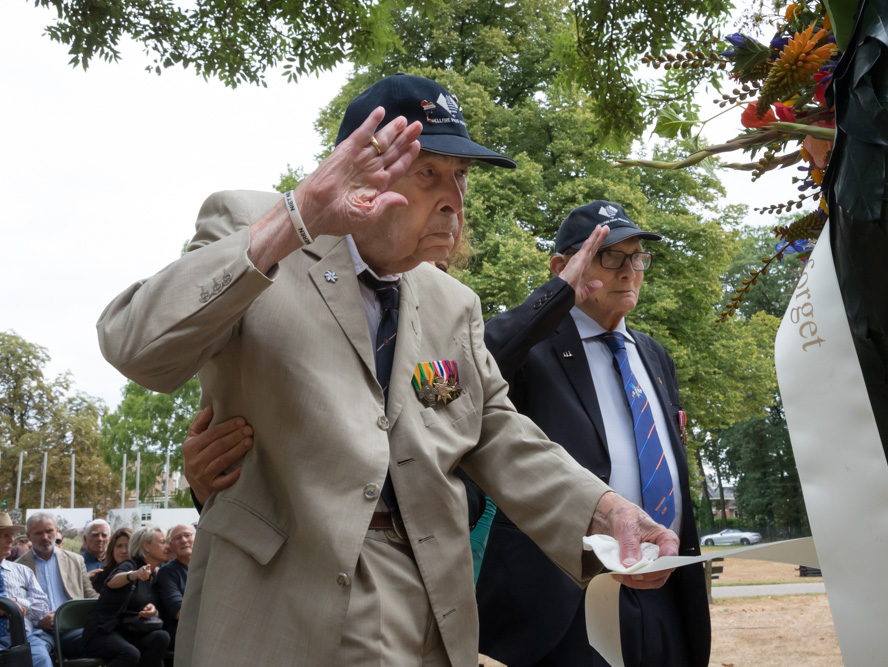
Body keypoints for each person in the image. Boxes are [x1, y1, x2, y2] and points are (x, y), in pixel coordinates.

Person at [97, 73, 678, 666]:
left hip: (426, 607)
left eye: (461, 176)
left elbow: (496, 431)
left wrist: (606, 512)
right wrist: (297, 217)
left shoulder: (452, 305)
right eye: (429, 172)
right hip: (275, 609)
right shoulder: (257, 227)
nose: (454, 198)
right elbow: (137, 347)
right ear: (360, 168)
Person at [476, 201, 711, 666]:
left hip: (665, 589)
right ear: (564, 266)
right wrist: (558, 293)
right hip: (565, 599)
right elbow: (476, 362)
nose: (629, 271)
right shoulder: (532, 347)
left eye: (637, 257)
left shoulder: (653, 355)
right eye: (610, 256)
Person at [83, 526, 171, 667]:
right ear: (146, 546)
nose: (168, 546)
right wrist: (134, 574)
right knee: (130, 653)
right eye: (163, 542)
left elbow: (153, 607)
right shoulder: (130, 565)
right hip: (103, 632)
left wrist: (153, 611)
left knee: (161, 637)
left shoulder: (155, 574)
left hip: (129, 632)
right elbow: (112, 582)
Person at [16, 513, 98, 659]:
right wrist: (36, 620)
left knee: (110, 645)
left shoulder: (75, 560)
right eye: (39, 533)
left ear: (56, 530)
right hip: (38, 632)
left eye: (49, 531)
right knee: (36, 657)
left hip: (73, 628)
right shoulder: (18, 567)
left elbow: (90, 595)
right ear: (28, 535)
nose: (45, 537)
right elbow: (17, 604)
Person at [0, 513, 53, 667]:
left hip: (22, 636)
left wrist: (16, 603)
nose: (11, 540)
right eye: (5, 535)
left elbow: (43, 607)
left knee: (41, 659)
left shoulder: (23, 571)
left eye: (12, 535)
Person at [153, 525, 193, 649]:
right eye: (177, 537)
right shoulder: (167, 573)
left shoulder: (208, 566)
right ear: (171, 545)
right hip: (182, 634)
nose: (184, 540)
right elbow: (179, 612)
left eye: (187, 535)